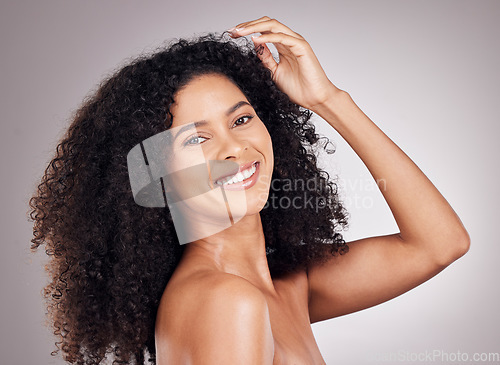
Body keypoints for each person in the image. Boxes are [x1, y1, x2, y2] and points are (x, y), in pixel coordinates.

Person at [29, 17, 470, 364]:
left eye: (241, 120)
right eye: (196, 139)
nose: (236, 148)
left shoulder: (285, 282)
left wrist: (327, 99)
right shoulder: (224, 300)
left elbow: (440, 244)